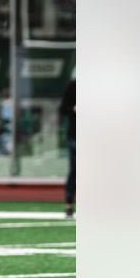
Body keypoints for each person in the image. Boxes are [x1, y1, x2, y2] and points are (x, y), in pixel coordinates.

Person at [60, 77, 76, 217]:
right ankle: (69, 203)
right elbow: (63, 108)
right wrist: (73, 109)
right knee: (75, 170)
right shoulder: (73, 85)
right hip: (75, 135)